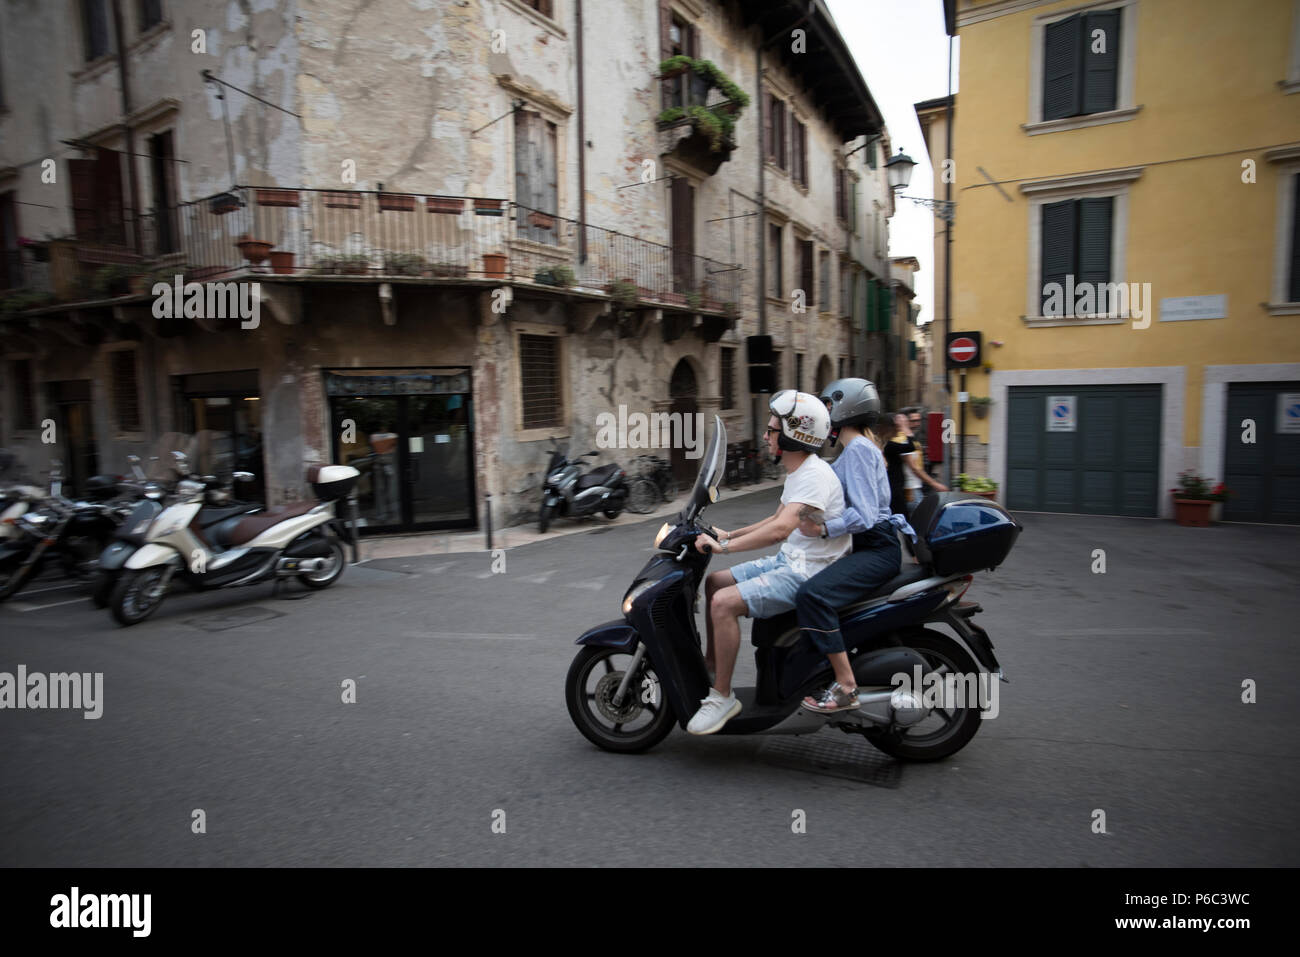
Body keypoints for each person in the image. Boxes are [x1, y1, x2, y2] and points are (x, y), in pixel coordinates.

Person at [689, 391, 849, 735]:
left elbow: (779, 530)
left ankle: (722, 696)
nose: (766, 436)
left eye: (773, 430)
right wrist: (728, 535)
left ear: (794, 435)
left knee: (722, 604)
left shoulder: (815, 475)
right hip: (789, 562)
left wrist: (723, 549)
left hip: (805, 573)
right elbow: (773, 518)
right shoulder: (800, 472)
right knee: (715, 582)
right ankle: (712, 666)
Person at [794, 380, 918, 712]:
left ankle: (846, 685)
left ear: (845, 407)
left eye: (829, 406)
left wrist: (822, 528)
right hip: (866, 545)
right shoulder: (856, 449)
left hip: (875, 547)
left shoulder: (860, 450)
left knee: (812, 594)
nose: (825, 413)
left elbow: (863, 515)